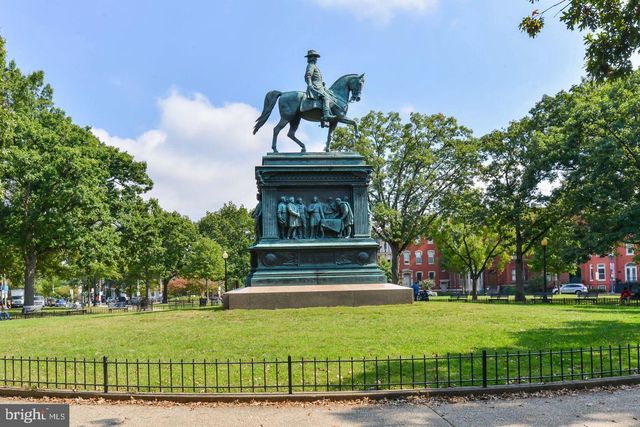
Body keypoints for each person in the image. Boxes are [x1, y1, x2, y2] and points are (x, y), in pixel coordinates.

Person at [304, 50, 335, 125]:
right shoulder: (311, 65)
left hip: (320, 86)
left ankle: (323, 119)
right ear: (311, 58)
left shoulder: (314, 66)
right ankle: (326, 115)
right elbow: (308, 76)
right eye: (315, 57)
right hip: (315, 86)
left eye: (316, 57)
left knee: (330, 96)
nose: (316, 59)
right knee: (326, 97)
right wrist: (310, 84)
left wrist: (322, 83)